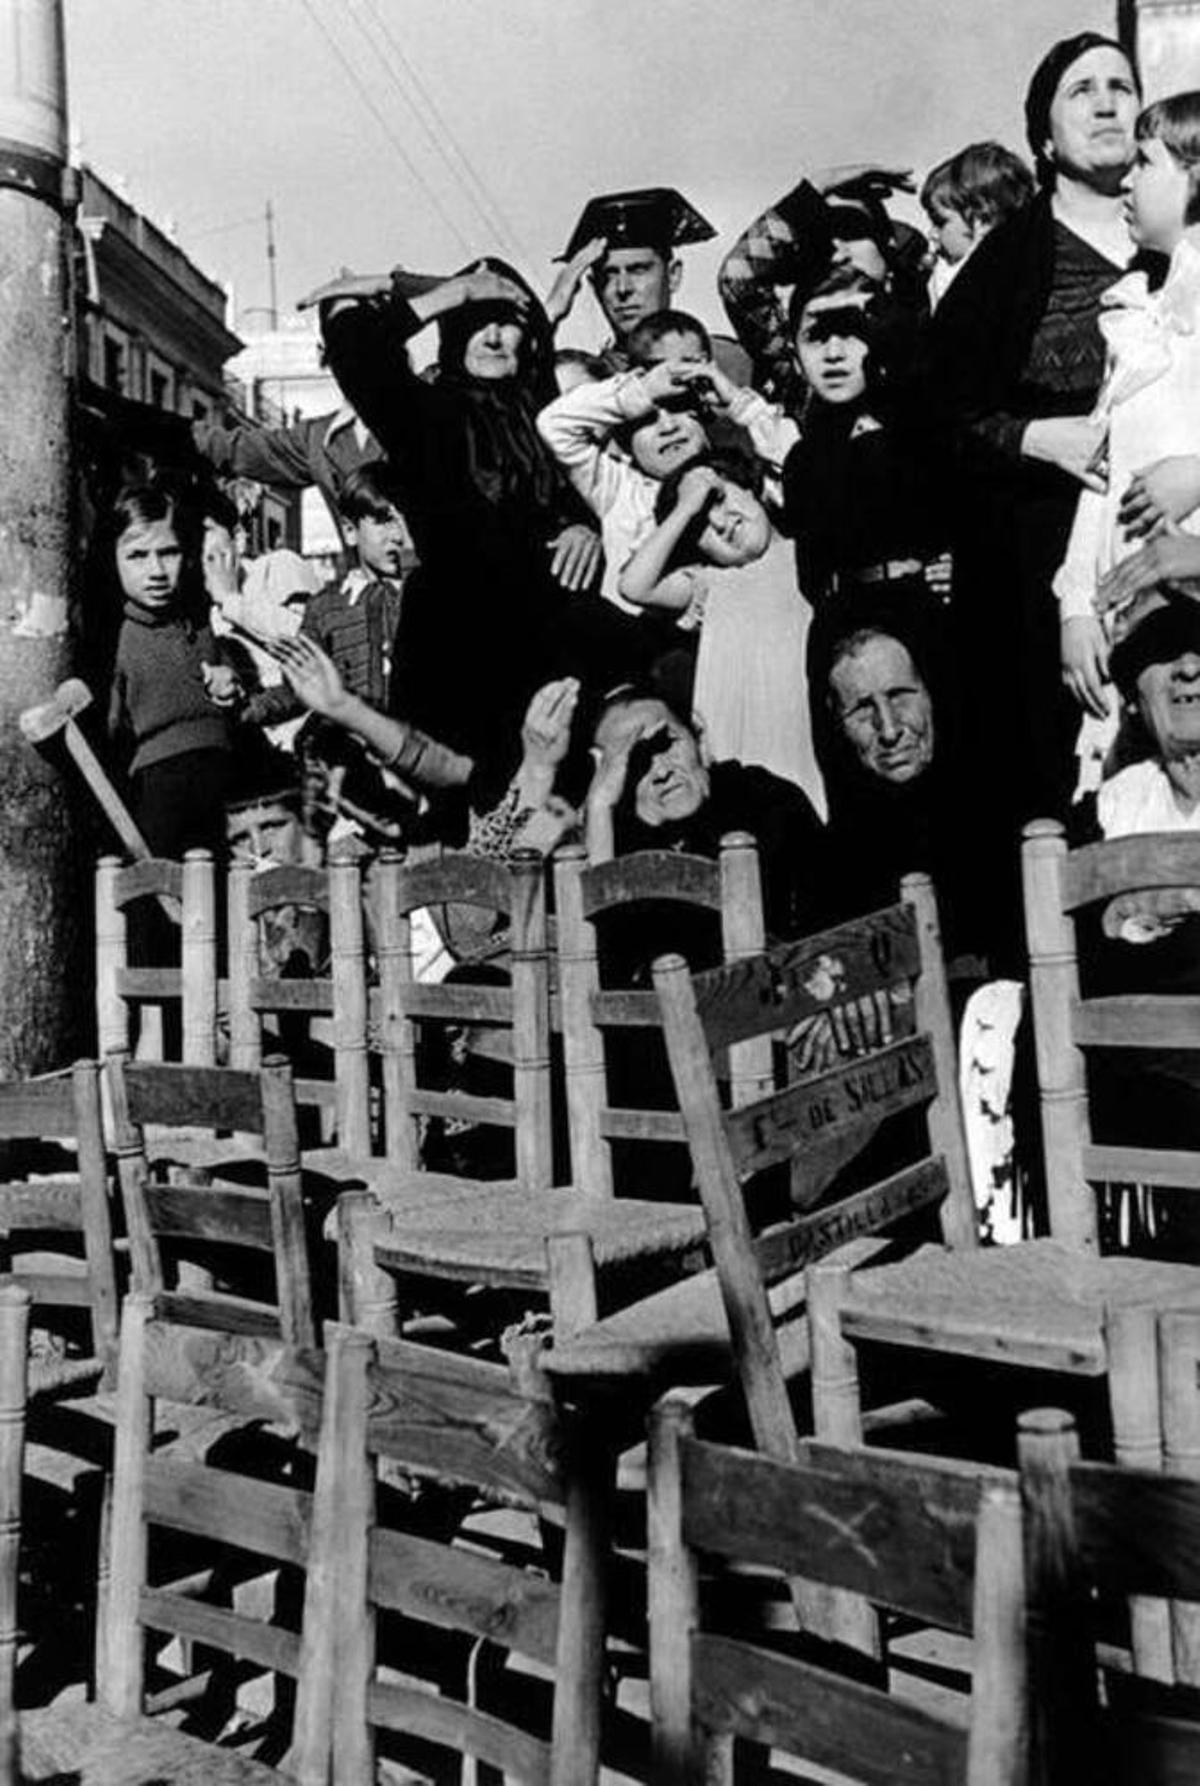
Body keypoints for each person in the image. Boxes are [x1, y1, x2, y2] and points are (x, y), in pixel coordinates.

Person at [315, 256, 640, 799]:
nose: (491, 335)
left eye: (505, 320)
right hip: (460, 645)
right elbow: (357, 351)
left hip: (549, 639)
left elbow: (581, 483)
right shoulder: (423, 411)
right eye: (473, 320)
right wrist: (456, 291)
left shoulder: (539, 405)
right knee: (475, 815)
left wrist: (583, 524)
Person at [932, 31, 1142, 831]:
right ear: (1045, 138)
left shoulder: (1182, 241)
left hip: (1172, 538)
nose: (1105, 100)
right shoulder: (1009, 263)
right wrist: (1032, 438)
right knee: (1065, 795)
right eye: (1081, 89)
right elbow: (935, 414)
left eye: (1120, 85)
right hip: (1039, 567)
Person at [1056, 89, 1200, 799]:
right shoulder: (1137, 314)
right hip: (1132, 629)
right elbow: (1102, 473)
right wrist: (1078, 604)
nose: (1128, 179)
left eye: (1146, 162)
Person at [618, 453, 823, 813]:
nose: (722, 524)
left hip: (805, 722)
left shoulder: (810, 551)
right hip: (745, 738)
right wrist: (684, 508)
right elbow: (635, 586)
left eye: (720, 498)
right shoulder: (709, 583)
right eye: (701, 525)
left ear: (751, 487)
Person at [537, 340, 795, 612]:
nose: (668, 426)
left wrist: (736, 401)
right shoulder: (618, 488)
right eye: (645, 421)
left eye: (678, 410)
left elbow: (800, 463)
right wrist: (642, 390)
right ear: (623, 440)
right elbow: (554, 425)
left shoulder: (737, 476)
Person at [780, 270, 945, 610]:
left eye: (852, 331)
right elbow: (812, 577)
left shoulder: (932, 431)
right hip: (842, 629)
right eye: (816, 337)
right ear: (795, 357)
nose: (834, 353)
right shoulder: (802, 460)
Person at [718, 164, 929, 415]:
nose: (838, 252)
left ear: (887, 241)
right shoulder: (797, 349)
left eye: (850, 231)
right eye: (819, 239)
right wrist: (814, 188)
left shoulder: (930, 320)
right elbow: (737, 278)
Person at [104, 481, 240, 857]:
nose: (157, 570)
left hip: (225, 790)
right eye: (137, 556)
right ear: (112, 559)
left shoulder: (199, 623)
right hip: (160, 793)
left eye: (169, 553)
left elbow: (231, 695)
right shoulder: (119, 640)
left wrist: (231, 686)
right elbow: (111, 735)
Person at [549, 188, 752, 385]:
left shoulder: (730, 363)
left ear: (673, 275)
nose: (623, 288)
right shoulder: (584, 380)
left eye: (638, 270)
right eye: (609, 275)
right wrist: (551, 312)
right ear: (594, 287)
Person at [920, 141, 1036, 306]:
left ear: (983, 220)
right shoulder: (943, 274)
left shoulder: (1011, 278)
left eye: (940, 222)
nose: (932, 233)